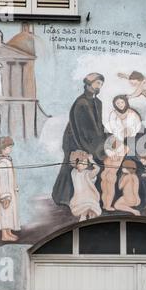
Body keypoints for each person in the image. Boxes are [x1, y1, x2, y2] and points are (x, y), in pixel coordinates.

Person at [52, 73, 107, 207]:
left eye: (101, 84)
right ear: (88, 84)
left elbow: (97, 124)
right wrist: (88, 147)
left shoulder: (97, 102)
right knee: (71, 166)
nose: (99, 86)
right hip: (75, 139)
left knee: (92, 165)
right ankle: (64, 197)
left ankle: (90, 196)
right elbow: (80, 126)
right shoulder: (81, 102)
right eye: (97, 83)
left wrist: (104, 134)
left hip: (90, 137)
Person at [0, 136, 20, 242]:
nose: (10, 149)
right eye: (9, 147)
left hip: (9, 192)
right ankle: (4, 235)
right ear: (3, 148)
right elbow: (2, 181)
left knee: (9, 213)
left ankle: (8, 232)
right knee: (4, 213)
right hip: (5, 194)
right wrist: (5, 196)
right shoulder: (1, 162)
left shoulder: (6, 160)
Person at [69, 150, 101, 222]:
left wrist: (91, 160)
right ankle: (84, 218)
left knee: (89, 211)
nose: (84, 164)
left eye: (86, 162)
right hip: (79, 197)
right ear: (76, 164)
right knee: (83, 212)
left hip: (89, 197)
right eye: (82, 163)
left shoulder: (87, 174)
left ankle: (89, 218)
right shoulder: (74, 172)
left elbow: (98, 169)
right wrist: (82, 157)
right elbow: (75, 163)